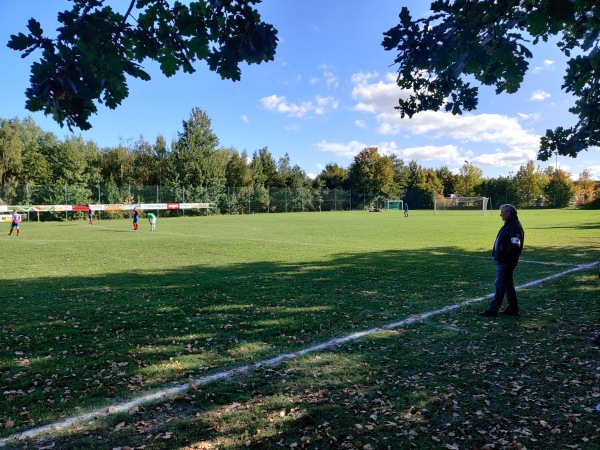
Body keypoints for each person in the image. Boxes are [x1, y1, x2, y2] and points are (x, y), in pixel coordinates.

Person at [480, 204, 524, 317]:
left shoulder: (514, 226)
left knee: (499, 284)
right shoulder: (510, 224)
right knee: (508, 285)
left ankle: (492, 309)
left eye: (502, 212)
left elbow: (515, 244)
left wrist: (504, 256)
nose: (500, 214)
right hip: (505, 260)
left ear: (508, 213)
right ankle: (513, 308)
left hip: (506, 261)